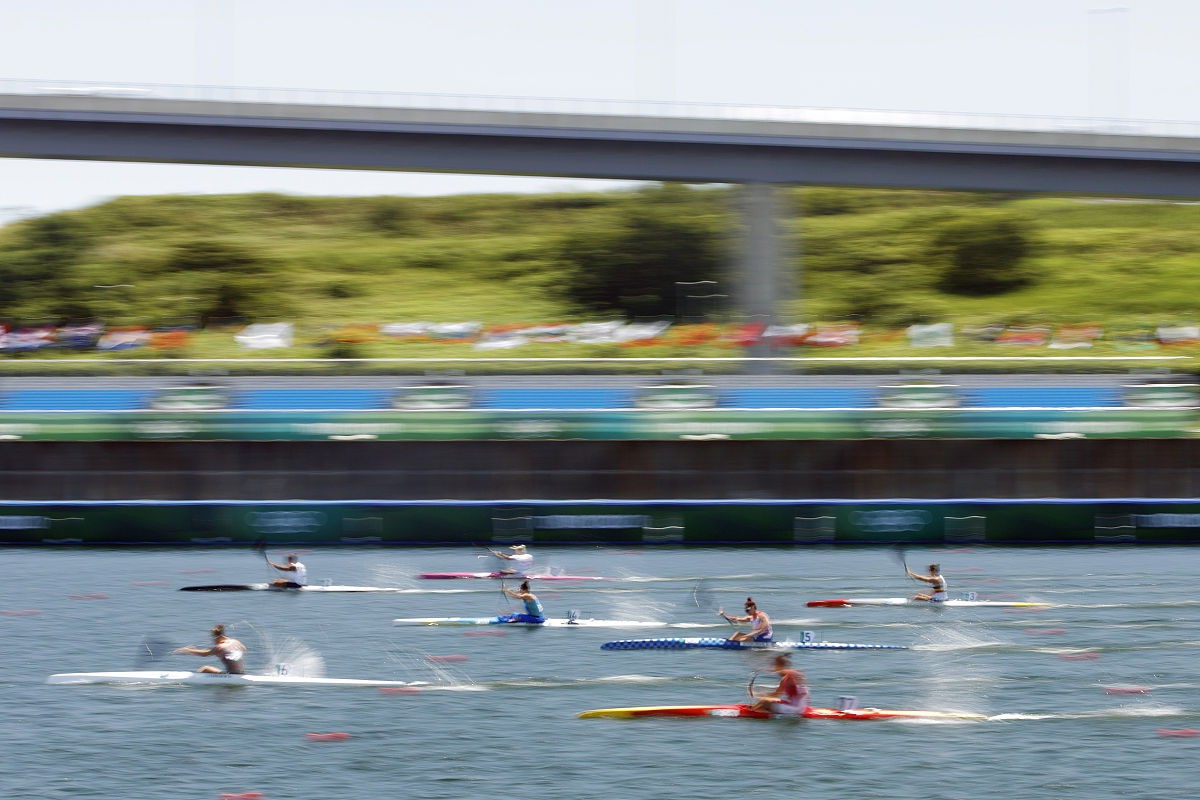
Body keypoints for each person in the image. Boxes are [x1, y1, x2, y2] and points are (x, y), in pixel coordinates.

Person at [173, 624, 247, 674]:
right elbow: (244, 650)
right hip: (242, 674)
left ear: (219, 636)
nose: (213, 640)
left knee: (205, 669)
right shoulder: (236, 642)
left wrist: (188, 650)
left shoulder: (220, 647)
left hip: (231, 676)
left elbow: (204, 654)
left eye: (213, 637)